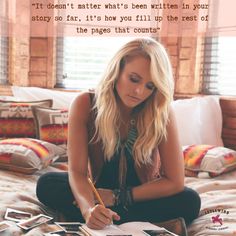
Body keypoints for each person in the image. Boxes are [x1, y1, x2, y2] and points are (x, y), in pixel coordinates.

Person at [36, 37, 201, 229]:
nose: (139, 91)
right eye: (134, 79)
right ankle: (111, 218)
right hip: (97, 192)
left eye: (150, 86)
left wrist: (118, 197)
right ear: (117, 70)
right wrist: (88, 209)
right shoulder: (85, 104)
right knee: (47, 183)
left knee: (190, 201)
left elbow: (174, 182)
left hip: (141, 196)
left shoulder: (161, 112)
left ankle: (108, 219)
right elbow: (77, 172)